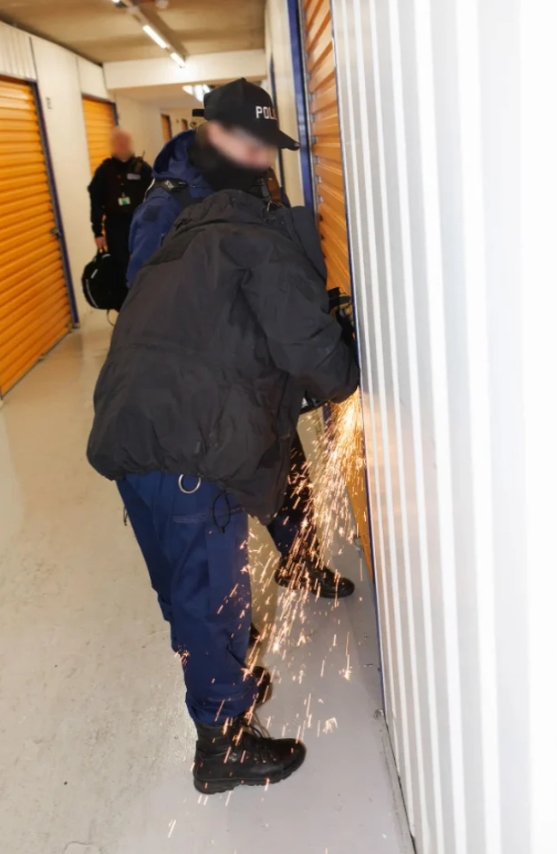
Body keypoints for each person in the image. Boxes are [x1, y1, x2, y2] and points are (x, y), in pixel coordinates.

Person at [86, 79, 360, 794]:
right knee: (214, 595)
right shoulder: (244, 232)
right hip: (189, 443)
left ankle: (220, 679)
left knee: (185, 593)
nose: (267, 164)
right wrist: (348, 361)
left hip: (129, 427)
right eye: (259, 150)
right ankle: (224, 745)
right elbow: (314, 354)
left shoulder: (188, 232)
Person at [126, 79, 356, 603]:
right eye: (252, 145)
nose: (264, 158)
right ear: (214, 134)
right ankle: (228, 621)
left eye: (267, 146)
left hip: (261, 376)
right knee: (209, 512)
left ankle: (301, 563)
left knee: (286, 472)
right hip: (198, 394)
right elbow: (148, 311)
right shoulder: (166, 208)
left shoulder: (259, 185)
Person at [87, 127, 152, 270]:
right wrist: (97, 232)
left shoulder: (142, 168)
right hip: (115, 226)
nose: (122, 144)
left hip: (139, 223)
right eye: (118, 142)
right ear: (112, 145)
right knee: (120, 267)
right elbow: (96, 201)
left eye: (125, 141)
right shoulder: (104, 171)